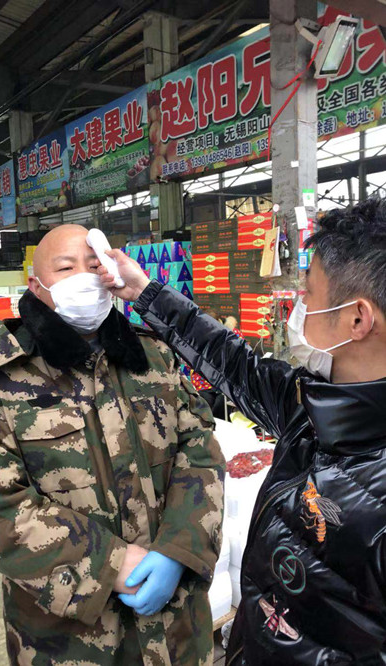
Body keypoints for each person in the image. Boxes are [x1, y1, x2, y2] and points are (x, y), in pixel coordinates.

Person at [99, 197, 386, 665]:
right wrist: (146, 293)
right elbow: (235, 364)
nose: (298, 307)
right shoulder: (313, 404)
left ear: (357, 318)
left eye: (308, 294)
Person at [0, 224, 226, 666]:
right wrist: (110, 563)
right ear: (36, 286)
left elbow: (199, 450)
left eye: (94, 265)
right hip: (71, 641)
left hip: (175, 628)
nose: (84, 276)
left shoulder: (153, 356)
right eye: (66, 268)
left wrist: (180, 548)